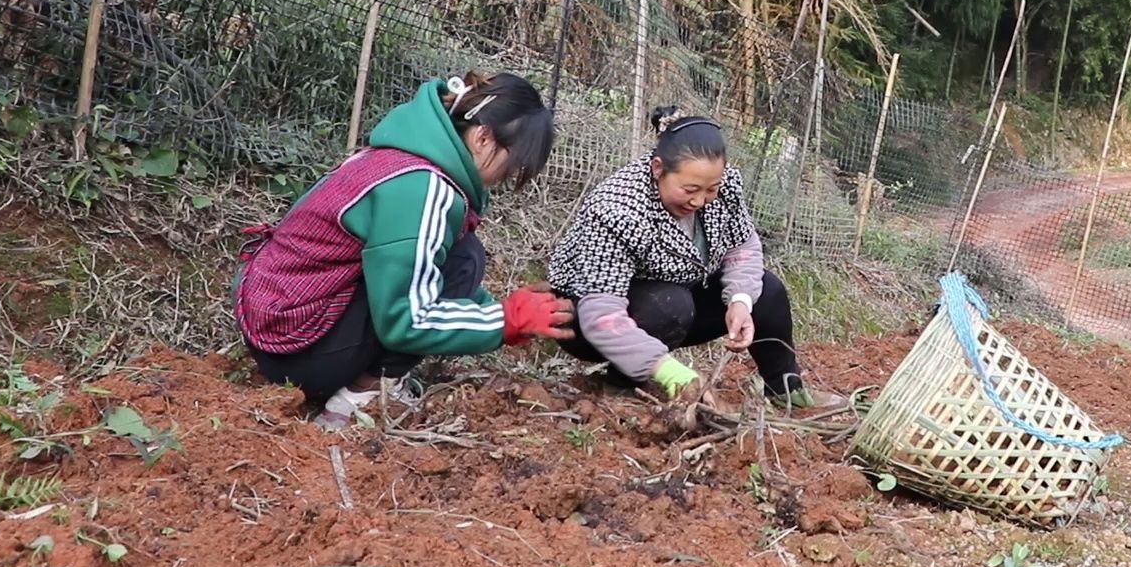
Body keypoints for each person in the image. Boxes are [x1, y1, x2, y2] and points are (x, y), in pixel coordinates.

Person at [235, 72, 575, 428]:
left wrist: (488, 310)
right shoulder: (424, 188)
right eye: (515, 161)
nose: (510, 175)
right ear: (483, 136)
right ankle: (357, 398)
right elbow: (409, 319)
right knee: (466, 259)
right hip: (300, 350)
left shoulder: (393, 158)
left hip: (274, 326)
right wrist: (504, 320)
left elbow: (415, 270)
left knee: (459, 257)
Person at [548, 107, 847, 411]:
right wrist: (673, 373)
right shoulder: (619, 208)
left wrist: (740, 302)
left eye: (710, 190)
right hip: (590, 321)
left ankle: (786, 390)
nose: (700, 200)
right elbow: (600, 314)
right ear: (657, 168)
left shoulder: (725, 184)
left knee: (767, 291)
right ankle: (620, 387)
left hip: (675, 300)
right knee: (671, 303)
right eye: (690, 190)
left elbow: (742, 247)